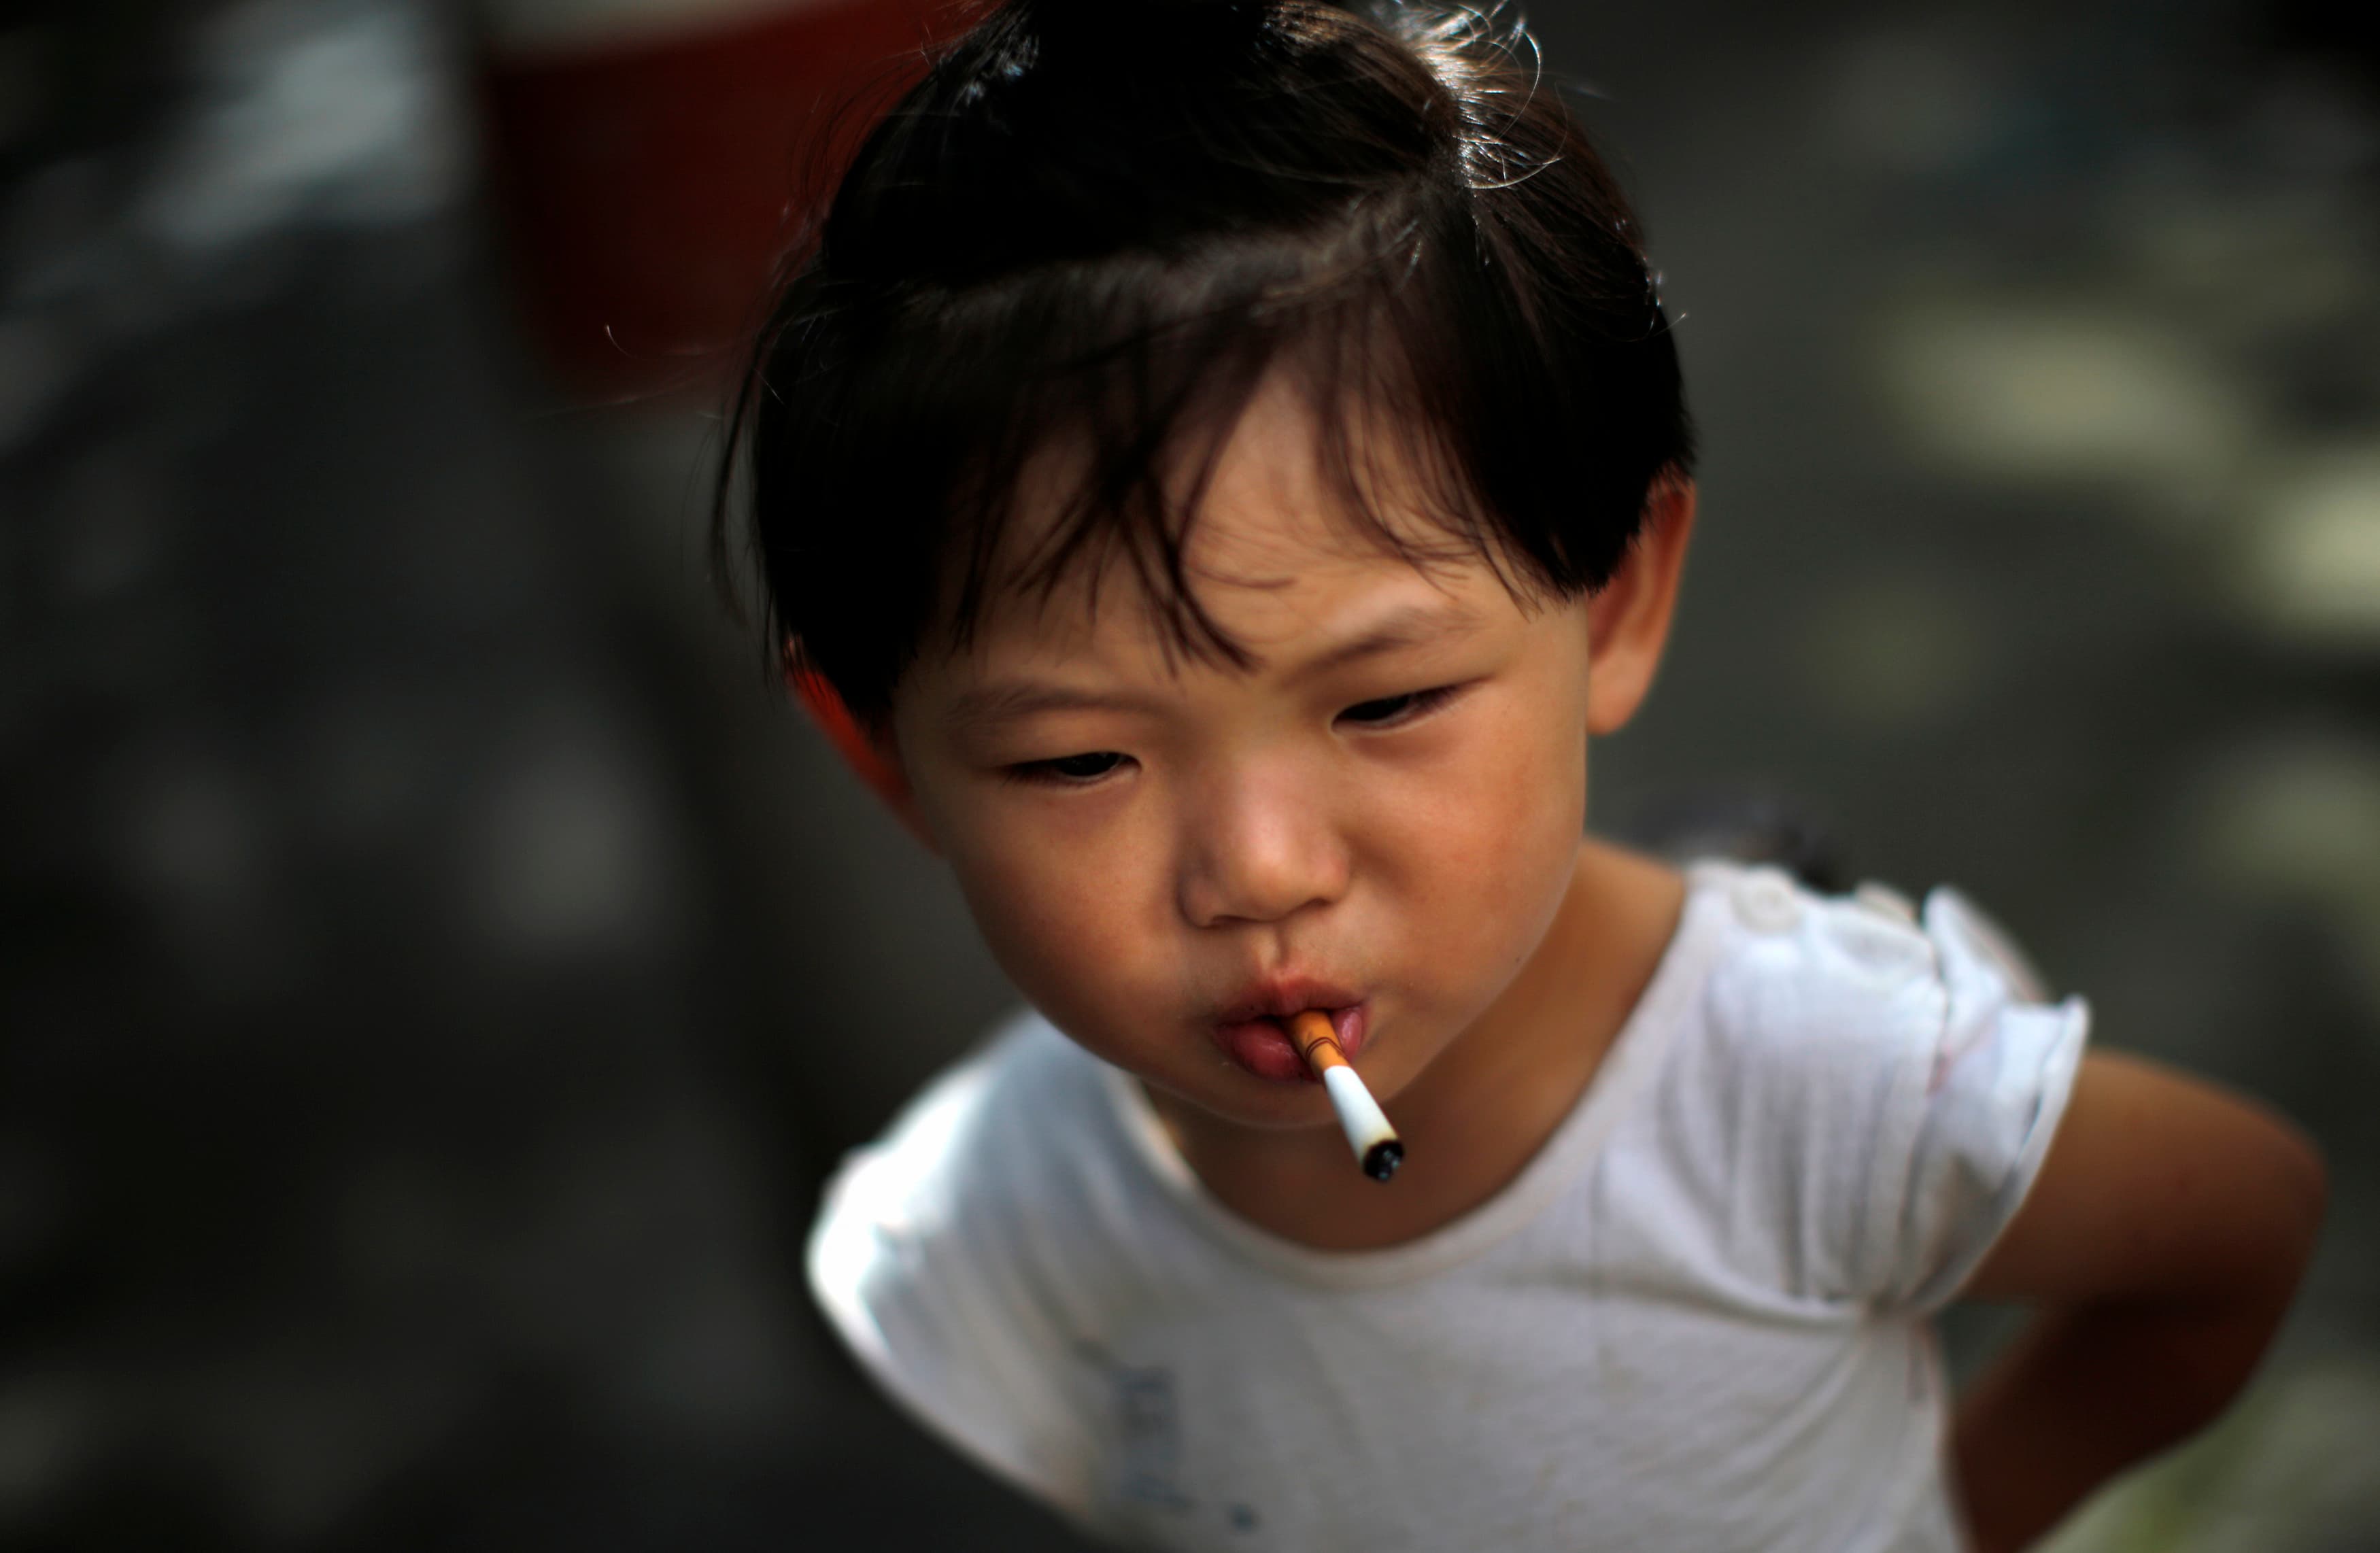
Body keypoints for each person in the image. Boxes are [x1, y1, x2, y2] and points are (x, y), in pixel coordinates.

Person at [714, 1, 2327, 1547]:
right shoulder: (995, 1225)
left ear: (1614, 602)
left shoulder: (1826, 1090)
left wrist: (1935, 1520)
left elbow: (2233, 1225)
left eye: (1388, 699)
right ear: (890, 761)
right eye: (1078, 756)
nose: (1263, 865)